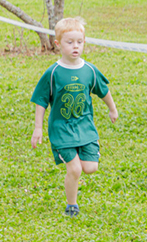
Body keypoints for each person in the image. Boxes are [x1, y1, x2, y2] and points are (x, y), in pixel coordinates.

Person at [30, 17, 118, 217]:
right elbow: (41, 100)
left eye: (79, 42)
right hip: (61, 129)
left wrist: (112, 109)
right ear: (58, 44)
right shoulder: (53, 73)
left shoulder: (89, 70)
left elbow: (103, 90)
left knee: (90, 168)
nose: (75, 46)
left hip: (84, 126)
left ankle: (83, 149)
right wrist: (38, 128)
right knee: (75, 169)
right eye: (70, 42)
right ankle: (72, 205)